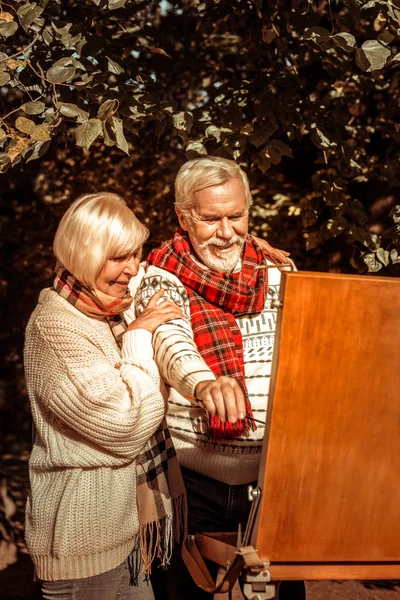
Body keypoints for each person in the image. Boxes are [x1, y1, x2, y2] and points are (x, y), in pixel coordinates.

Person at [135, 157, 306, 599]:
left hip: (271, 483)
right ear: (183, 218)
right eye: (211, 219)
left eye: (237, 216)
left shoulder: (280, 272)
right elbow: (170, 343)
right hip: (192, 486)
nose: (227, 231)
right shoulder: (159, 275)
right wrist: (203, 383)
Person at [23, 193, 187, 600]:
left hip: (121, 533)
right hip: (81, 547)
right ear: (84, 253)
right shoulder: (56, 329)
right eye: (118, 257)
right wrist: (138, 339)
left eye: (135, 254)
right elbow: (125, 425)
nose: (132, 269)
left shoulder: (102, 311)